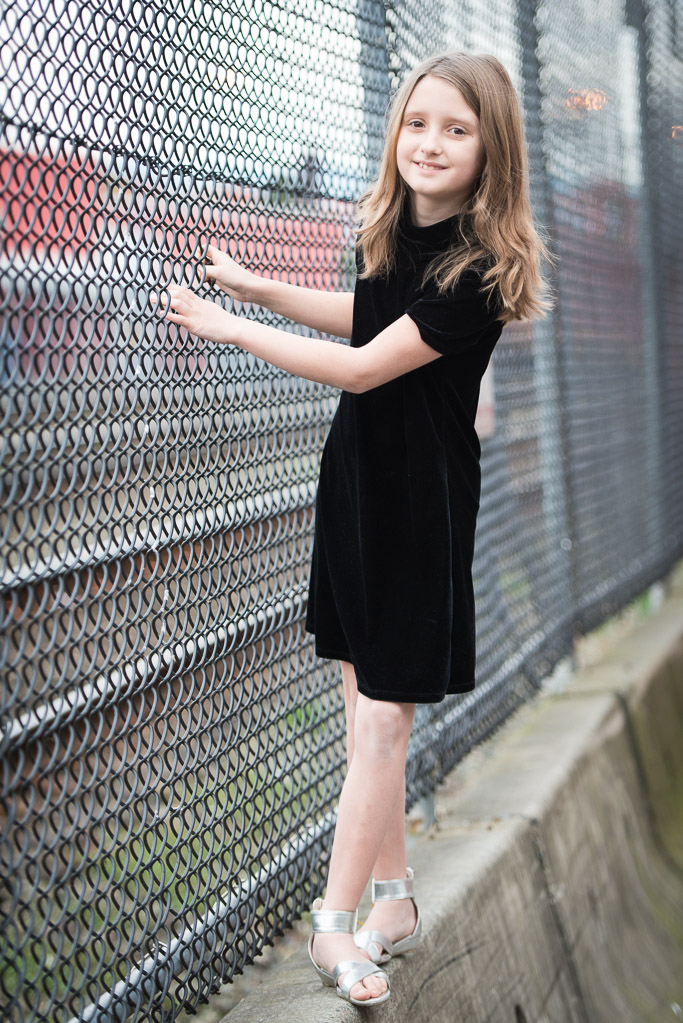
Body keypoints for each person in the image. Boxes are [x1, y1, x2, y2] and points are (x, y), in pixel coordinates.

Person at [152, 50, 549, 1007]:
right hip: (357, 490)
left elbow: (366, 364)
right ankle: (393, 897)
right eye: (418, 123)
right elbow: (364, 317)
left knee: (381, 717)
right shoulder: (390, 234)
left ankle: (331, 928)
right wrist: (256, 289)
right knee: (362, 711)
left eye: (457, 130)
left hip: (419, 509)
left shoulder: (477, 267)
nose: (430, 143)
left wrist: (232, 329)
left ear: (490, 151)